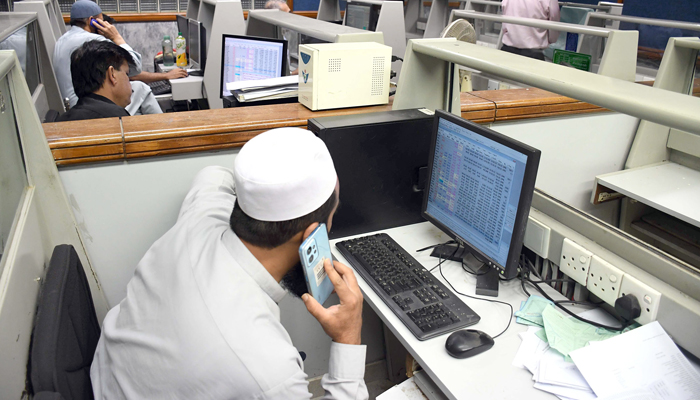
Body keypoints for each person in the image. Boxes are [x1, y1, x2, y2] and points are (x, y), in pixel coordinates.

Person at [91, 128, 369, 400]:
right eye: (332, 217)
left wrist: (259, 190)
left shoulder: (204, 213)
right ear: (312, 236)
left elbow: (211, 173)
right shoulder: (268, 374)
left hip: (106, 377)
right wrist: (348, 336)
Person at [52, 1, 185, 115]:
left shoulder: (62, 40)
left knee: (136, 92)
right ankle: (166, 131)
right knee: (141, 88)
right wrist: (116, 37)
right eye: (102, 20)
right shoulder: (93, 40)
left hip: (74, 105)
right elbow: (133, 68)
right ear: (91, 21)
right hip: (89, 107)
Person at [56, 40, 132, 121]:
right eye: (126, 74)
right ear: (112, 74)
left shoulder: (63, 119)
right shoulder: (116, 117)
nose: (130, 82)